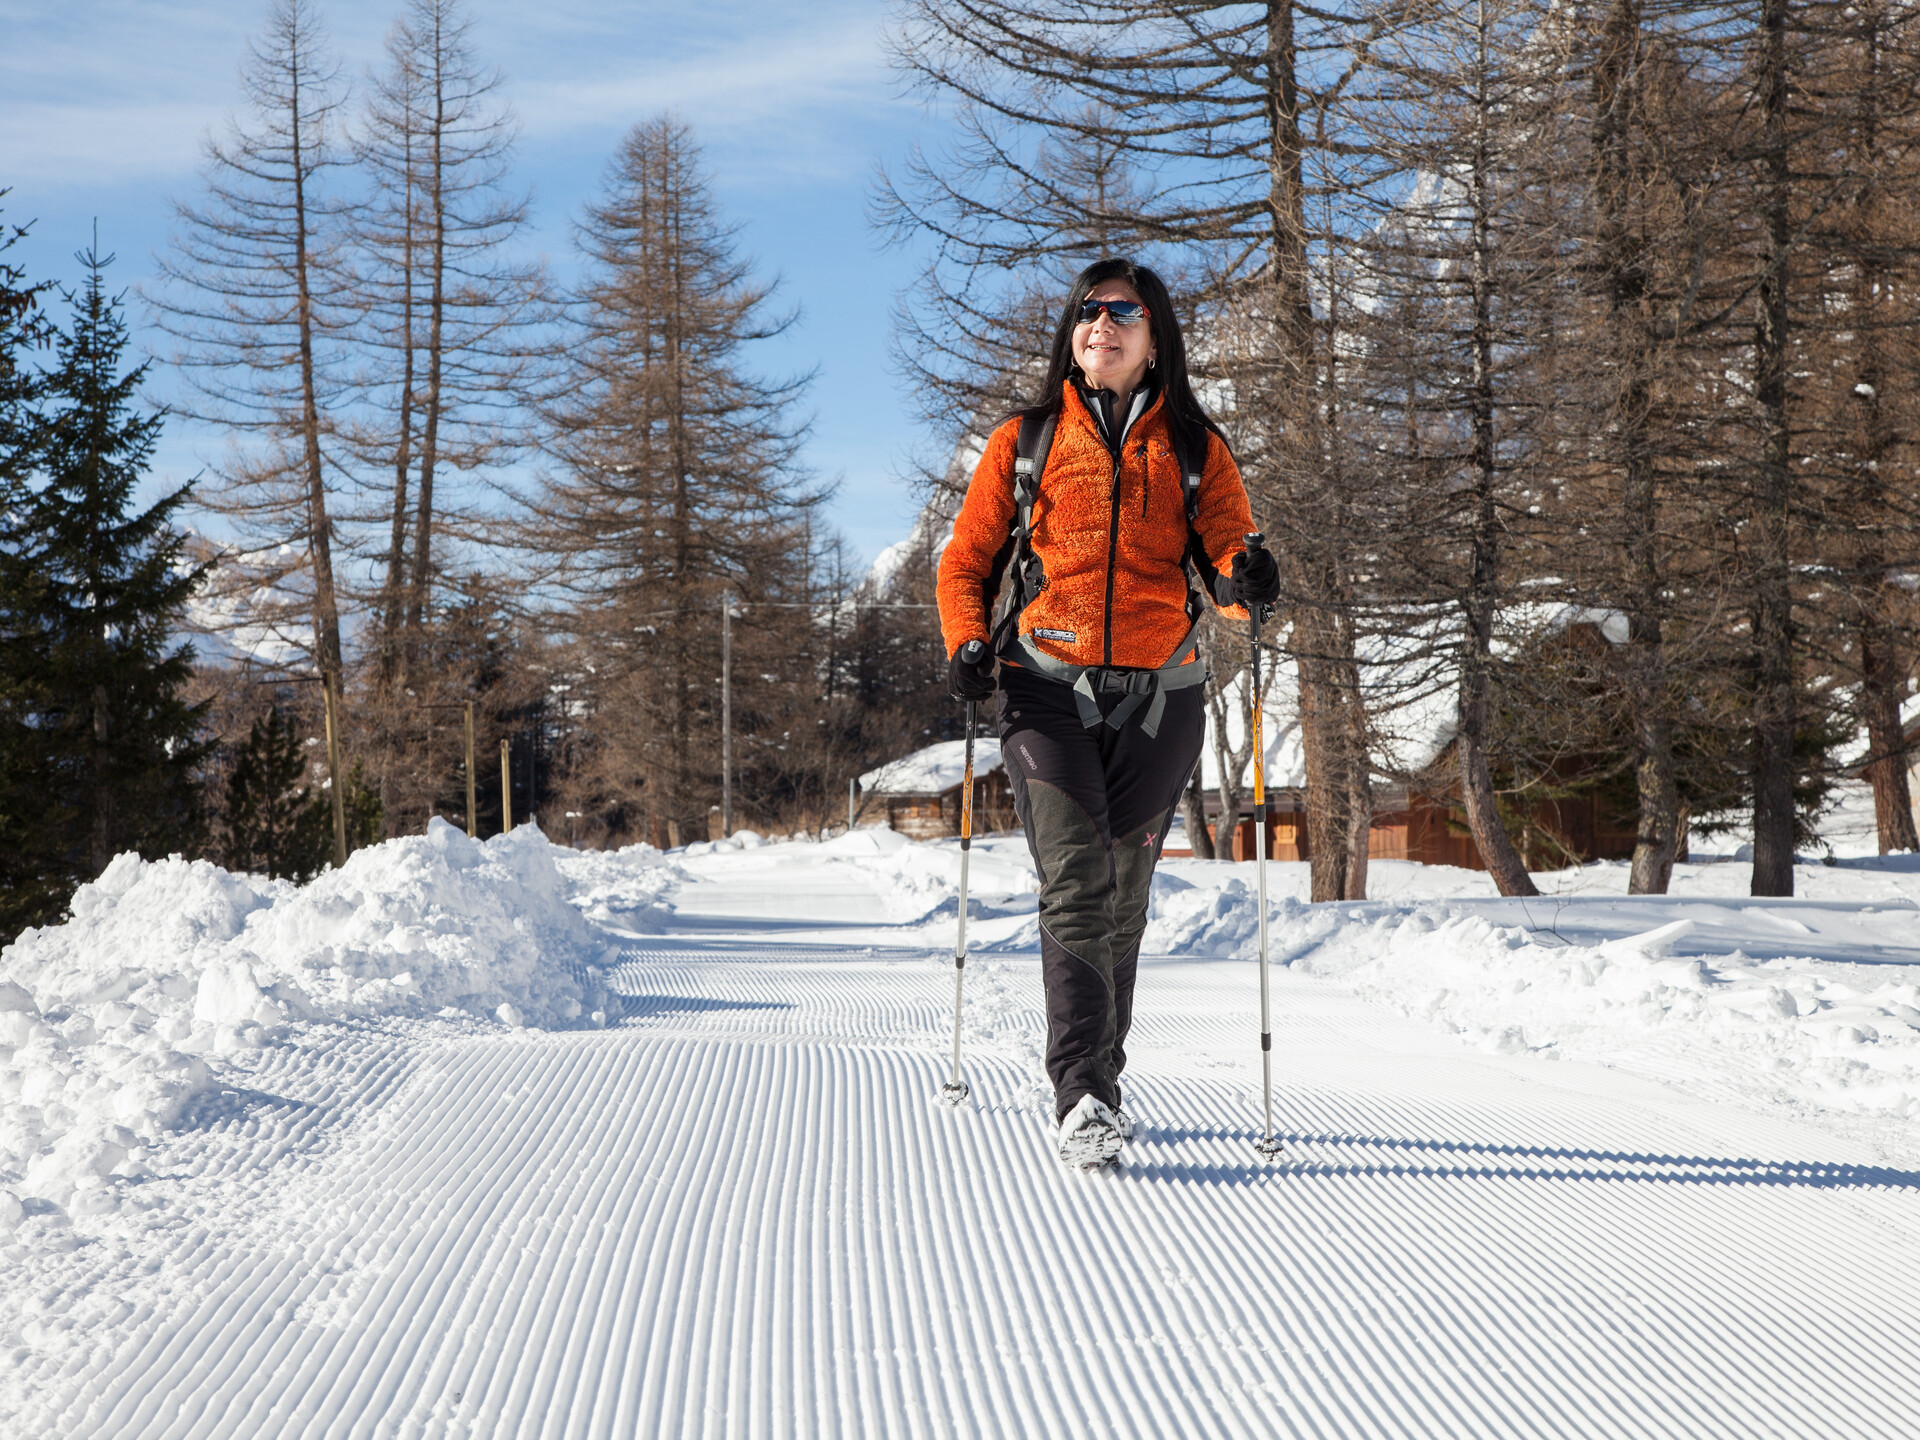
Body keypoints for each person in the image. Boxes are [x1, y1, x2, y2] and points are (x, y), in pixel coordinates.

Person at [937, 259, 1281, 1167]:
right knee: (1080, 881)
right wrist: (967, 643)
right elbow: (965, 562)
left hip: (1161, 700)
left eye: (1122, 311)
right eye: (1088, 311)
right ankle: (1081, 1093)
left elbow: (1227, 567)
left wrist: (1248, 581)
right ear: (1075, 332)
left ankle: (1101, 1078)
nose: (1102, 323)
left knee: (1125, 897)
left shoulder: (1199, 451)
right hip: (1043, 688)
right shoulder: (1028, 440)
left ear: (1154, 333)